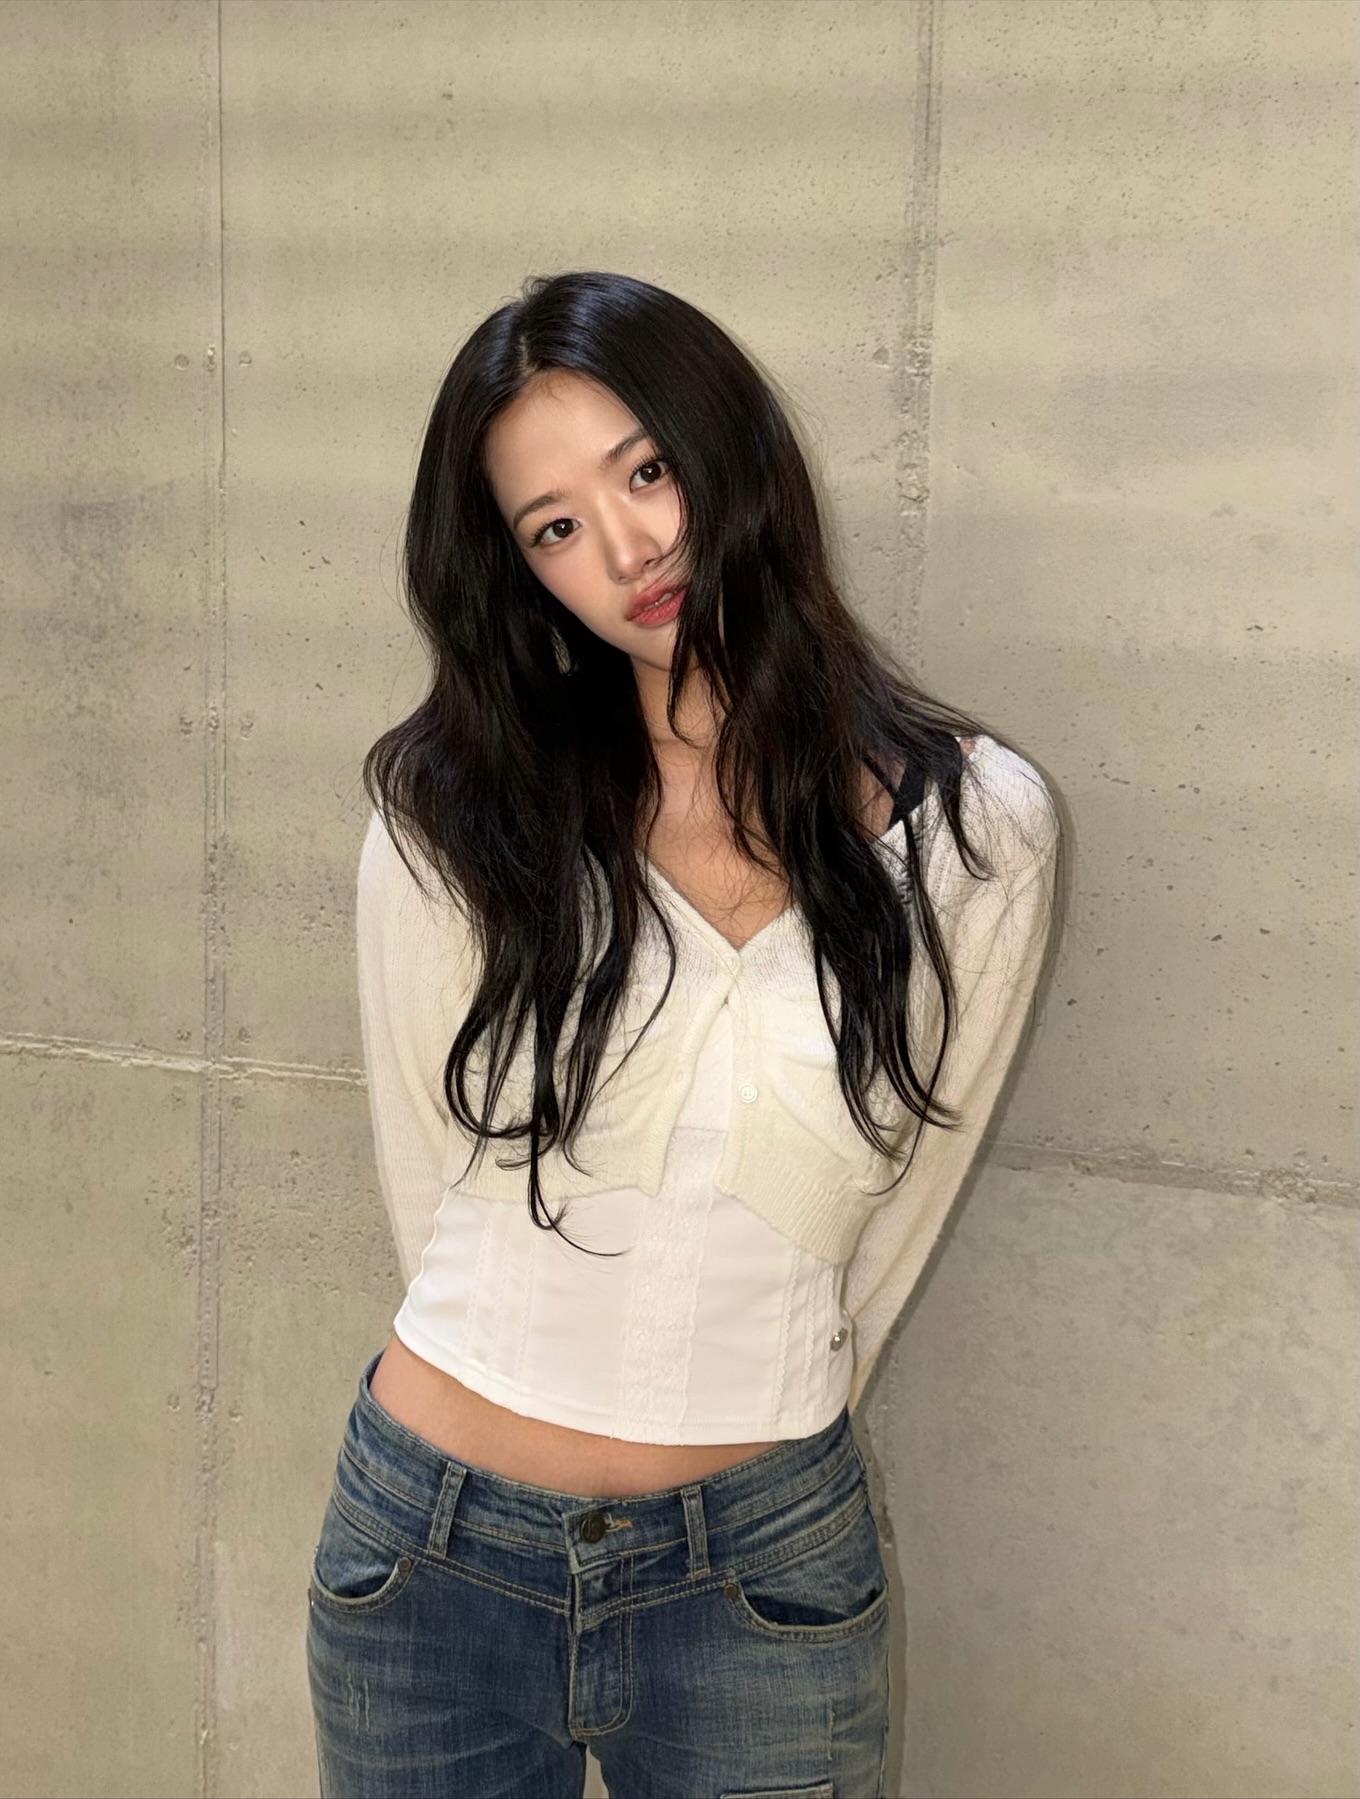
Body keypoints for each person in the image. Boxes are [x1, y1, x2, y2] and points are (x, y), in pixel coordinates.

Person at [306, 271, 1061, 1799]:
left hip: (763, 1577)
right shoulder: (455, 818)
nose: (628, 547)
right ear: (521, 574)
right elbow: (431, 1188)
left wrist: (752, 1403)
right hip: (432, 1558)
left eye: (645, 469)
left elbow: (894, 1219)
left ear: (731, 446)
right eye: (555, 527)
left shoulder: (977, 835)